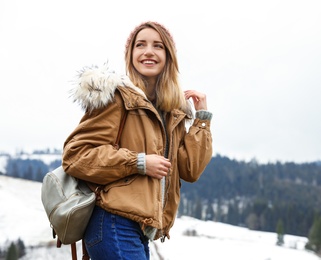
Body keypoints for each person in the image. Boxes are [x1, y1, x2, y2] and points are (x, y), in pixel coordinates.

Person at [62, 21, 213, 260]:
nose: (148, 51)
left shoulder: (172, 111)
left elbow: (190, 169)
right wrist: (138, 162)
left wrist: (201, 120)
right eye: (140, 45)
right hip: (113, 221)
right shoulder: (117, 98)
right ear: (130, 54)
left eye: (158, 46)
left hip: (141, 229)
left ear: (169, 56)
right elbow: (76, 156)